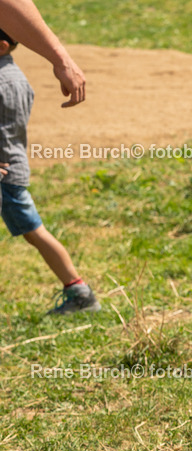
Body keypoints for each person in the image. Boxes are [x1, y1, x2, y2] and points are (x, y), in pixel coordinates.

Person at [0, 26, 99, 313]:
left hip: (5, 174)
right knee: (33, 231)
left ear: (2, 46)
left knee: (34, 230)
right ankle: (78, 290)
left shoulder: (6, 82)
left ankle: (80, 293)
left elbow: (6, 133)